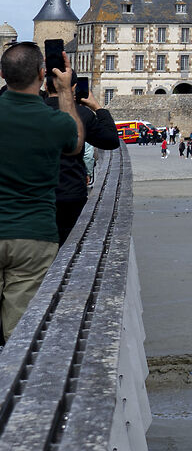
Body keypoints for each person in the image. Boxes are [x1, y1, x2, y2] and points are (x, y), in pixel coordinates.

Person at [0, 46, 83, 341]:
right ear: (41, 74)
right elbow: (75, 144)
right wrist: (64, 93)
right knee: (21, 329)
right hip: (34, 236)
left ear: (2, 75)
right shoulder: (55, 123)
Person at [50, 72, 117, 242]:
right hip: (71, 194)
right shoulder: (81, 114)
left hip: (38, 196)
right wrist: (98, 108)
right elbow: (110, 140)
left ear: (45, 85)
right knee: (70, 247)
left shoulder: (35, 111)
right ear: (73, 88)